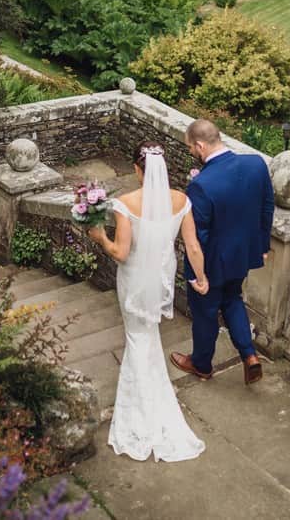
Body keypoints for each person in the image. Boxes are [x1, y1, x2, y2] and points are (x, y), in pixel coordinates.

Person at [87, 140, 208, 462]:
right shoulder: (182, 200)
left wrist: (99, 237)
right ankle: (155, 390)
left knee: (136, 336)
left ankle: (141, 409)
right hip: (161, 276)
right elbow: (193, 247)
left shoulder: (125, 204)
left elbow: (121, 254)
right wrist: (201, 278)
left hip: (135, 279)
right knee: (148, 332)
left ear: (139, 170)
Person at [170, 119, 274, 386]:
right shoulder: (256, 164)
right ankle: (249, 355)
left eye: (191, 148)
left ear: (200, 145)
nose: (191, 152)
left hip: (212, 263)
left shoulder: (201, 185)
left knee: (205, 314)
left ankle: (202, 364)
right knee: (232, 299)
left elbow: (198, 238)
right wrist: (262, 247)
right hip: (243, 257)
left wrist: (197, 275)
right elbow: (266, 208)